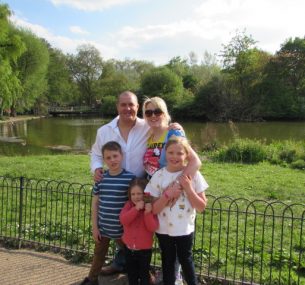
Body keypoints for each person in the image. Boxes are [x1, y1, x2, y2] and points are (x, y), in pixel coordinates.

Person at [90, 91, 182, 277]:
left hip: (141, 187)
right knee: (121, 225)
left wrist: (177, 127)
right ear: (117, 107)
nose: (127, 108)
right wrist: (97, 168)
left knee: (144, 228)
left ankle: (161, 273)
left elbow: (167, 132)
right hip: (116, 185)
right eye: (123, 105)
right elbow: (96, 154)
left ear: (137, 108)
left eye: (131, 105)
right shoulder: (104, 131)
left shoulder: (146, 126)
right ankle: (121, 263)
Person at [142, 97, 201, 284]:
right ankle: (169, 276)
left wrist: (176, 186)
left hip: (173, 187)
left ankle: (175, 277)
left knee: (179, 241)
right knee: (165, 239)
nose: (153, 115)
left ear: (165, 113)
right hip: (156, 188)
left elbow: (195, 161)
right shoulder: (148, 135)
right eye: (148, 112)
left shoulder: (173, 131)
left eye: (157, 111)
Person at [145, 137, 208, 285]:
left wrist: (189, 189)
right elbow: (153, 209)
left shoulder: (194, 176)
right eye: (171, 152)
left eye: (179, 153)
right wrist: (168, 195)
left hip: (184, 229)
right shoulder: (158, 176)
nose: (174, 157)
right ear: (165, 153)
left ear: (186, 155)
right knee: (167, 260)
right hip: (163, 229)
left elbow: (201, 207)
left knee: (186, 260)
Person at [81, 141, 136, 285]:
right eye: (108, 158)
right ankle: (92, 279)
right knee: (98, 255)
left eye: (115, 156)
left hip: (122, 230)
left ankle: (143, 277)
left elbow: (133, 204)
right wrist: (95, 227)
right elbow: (95, 203)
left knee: (132, 256)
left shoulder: (130, 178)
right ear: (104, 160)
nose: (112, 160)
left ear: (121, 156)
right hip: (103, 228)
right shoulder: (101, 178)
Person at [120, 178, 159, 285]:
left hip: (144, 252)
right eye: (133, 194)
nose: (136, 197)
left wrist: (147, 213)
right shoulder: (128, 205)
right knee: (131, 275)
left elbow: (152, 227)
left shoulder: (150, 208)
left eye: (139, 193)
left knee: (144, 276)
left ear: (145, 194)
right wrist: (135, 209)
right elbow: (124, 220)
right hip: (129, 249)